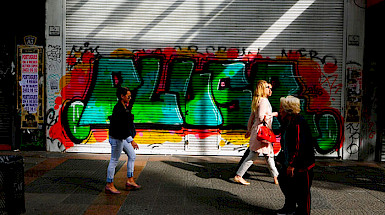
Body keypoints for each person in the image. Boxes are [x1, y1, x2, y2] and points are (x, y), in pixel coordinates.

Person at [234, 80, 279, 185]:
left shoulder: (258, 100)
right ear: (263, 89)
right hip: (262, 133)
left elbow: (252, 117)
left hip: (258, 131)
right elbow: (260, 117)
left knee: (268, 155)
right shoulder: (264, 101)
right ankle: (239, 175)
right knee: (254, 155)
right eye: (268, 88)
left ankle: (276, 176)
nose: (270, 90)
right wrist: (274, 114)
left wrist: (249, 130)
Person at [276, 96, 315, 215]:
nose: (279, 110)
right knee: (284, 180)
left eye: (281, 108)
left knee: (303, 190)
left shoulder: (298, 122)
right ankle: (290, 207)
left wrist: (292, 165)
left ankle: (303, 212)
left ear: (288, 110)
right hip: (290, 161)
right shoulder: (288, 121)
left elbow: (298, 145)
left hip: (302, 164)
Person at [105, 87, 140, 194]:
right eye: (128, 96)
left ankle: (130, 180)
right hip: (117, 138)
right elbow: (122, 127)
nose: (130, 98)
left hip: (122, 137)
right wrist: (131, 140)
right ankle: (109, 184)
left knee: (132, 155)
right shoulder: (118, 109)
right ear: (122, 96)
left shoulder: (124, 106)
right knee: (114, 160)